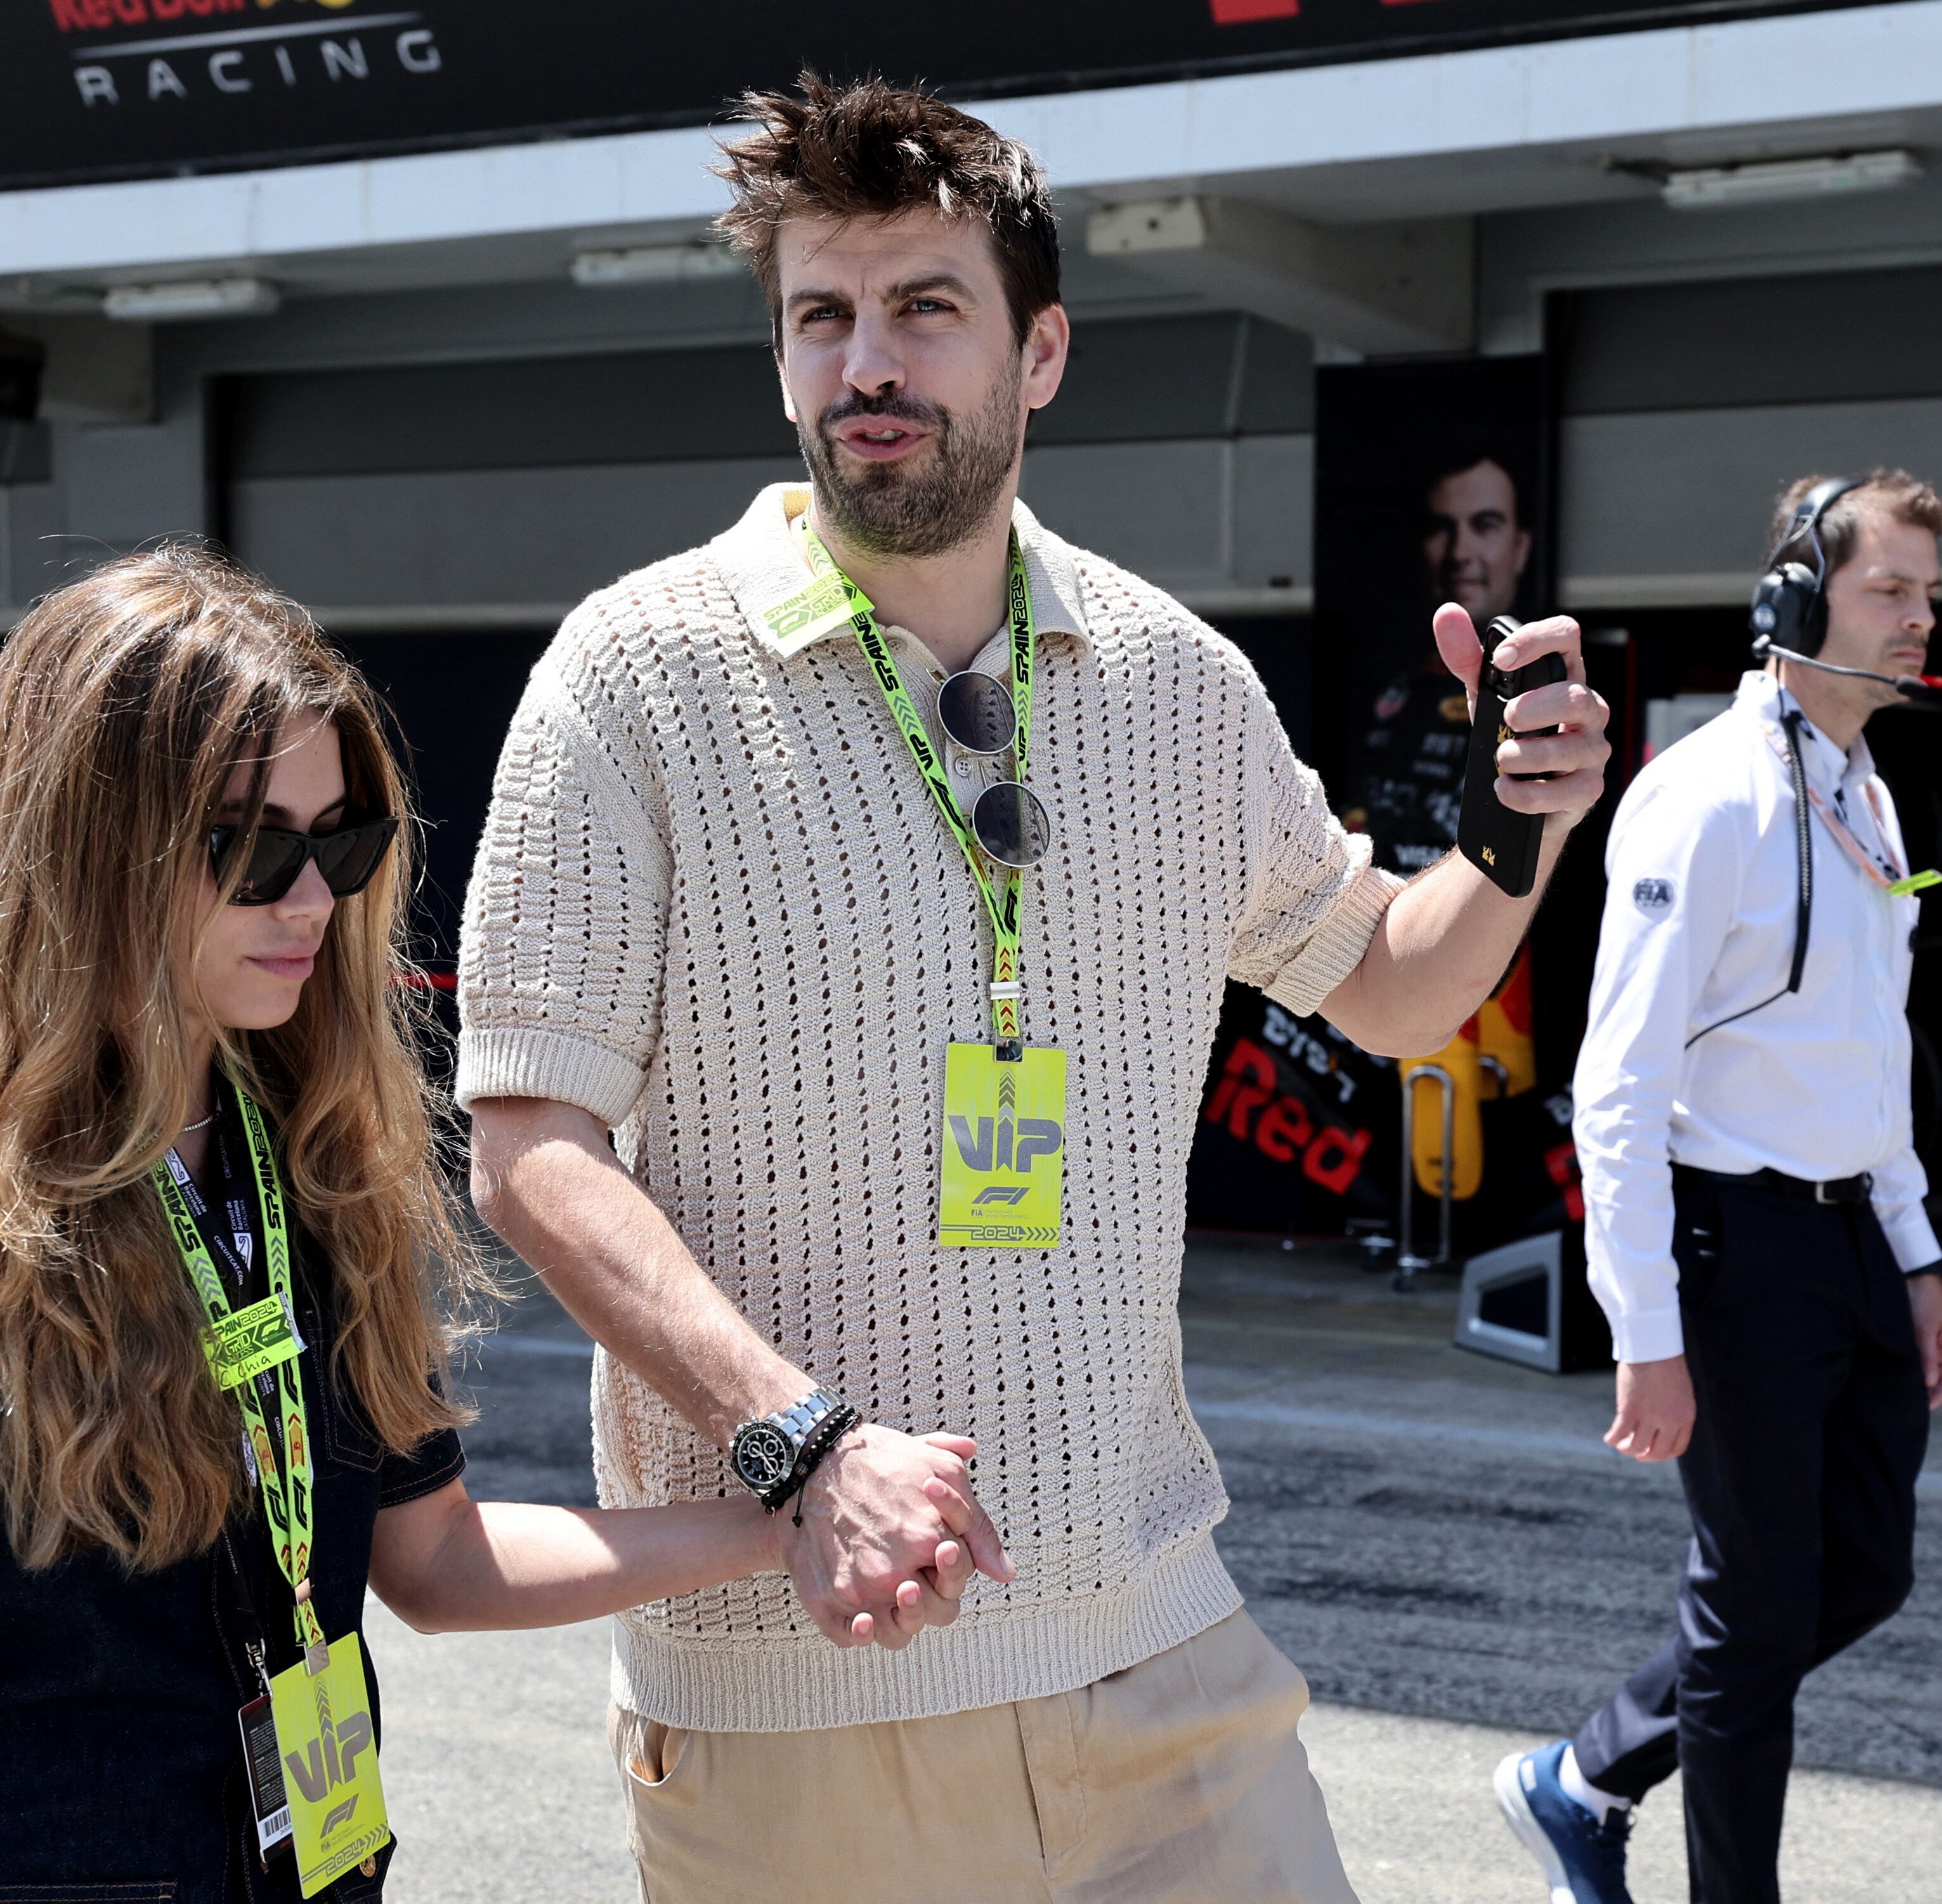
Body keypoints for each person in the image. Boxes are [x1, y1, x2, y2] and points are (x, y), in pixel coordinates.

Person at [458, 73, 1609, 1902]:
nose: (866, 366)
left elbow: (1390, 991)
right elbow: (528, 1144)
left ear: (1042, 349)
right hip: (798, 1684)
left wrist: (1512, 833)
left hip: (1161, 1641)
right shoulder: (630, 678)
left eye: (924, 308)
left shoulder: (1177, 680)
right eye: (821, 318)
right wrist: (803, 1442)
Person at [0, 549, 868, 1903]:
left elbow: (439, 1558)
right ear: (84, 846)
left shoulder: (308, 1170)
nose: (311, 899)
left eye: (339, 839)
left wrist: (789, 1515)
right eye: (249, 846)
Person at [1497, 471, 1942, 1904]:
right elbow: (1622, 1083)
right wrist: (1645, 1326)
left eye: (1927, 594)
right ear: (1793, 598)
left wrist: (1919, 1254)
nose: (1920, 619)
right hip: (1733, 1241)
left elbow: (1867, 1051)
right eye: (1891, 589)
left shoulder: (1865, 795)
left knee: (1864, 1570)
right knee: (1754, 1616)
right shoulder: (1699, 798)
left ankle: (1579, 1772)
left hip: (1848, 1241)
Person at [1350, 443, 1538, 875]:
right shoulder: (1374, 682)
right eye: (1442, 528)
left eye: (1484, 525)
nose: (1460, 552)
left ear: (1521, 548)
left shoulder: (1546, 692)